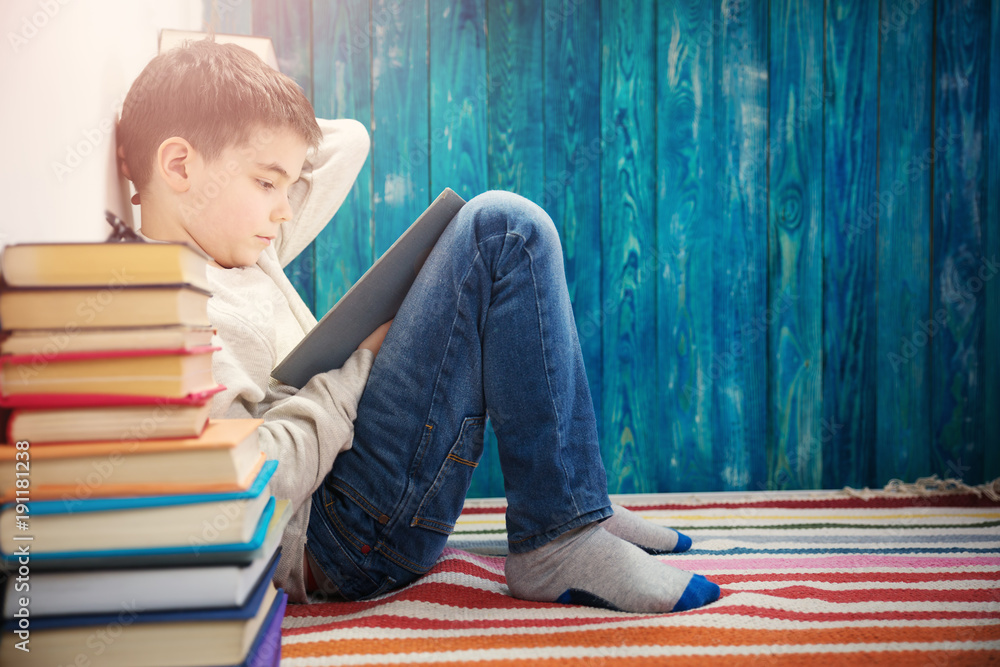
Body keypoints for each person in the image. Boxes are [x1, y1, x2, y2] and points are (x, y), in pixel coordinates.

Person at [117, 39, 720, 613]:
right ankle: (557, 539)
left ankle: (570, 504)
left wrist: (222, 112)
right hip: (330, 540)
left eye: (286, 184)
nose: (283, 207)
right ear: (179, 166)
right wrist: (359, 367)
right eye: (268, 182)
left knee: (501, 228)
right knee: (502, 229)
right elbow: (255, 479)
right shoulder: (175, 303)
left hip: (348, 493)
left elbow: (345, 141)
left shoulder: (238, 241)